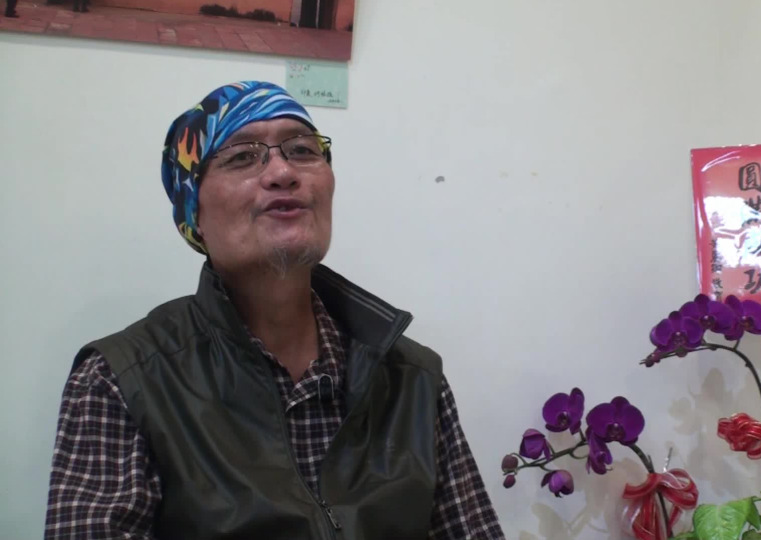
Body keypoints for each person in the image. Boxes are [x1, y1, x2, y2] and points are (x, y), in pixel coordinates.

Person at [44, 81, 505, 540]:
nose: (283, 171)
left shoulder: (412, 379)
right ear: (194, 214)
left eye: (303, 150)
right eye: (242, 157)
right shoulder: (122, 380)